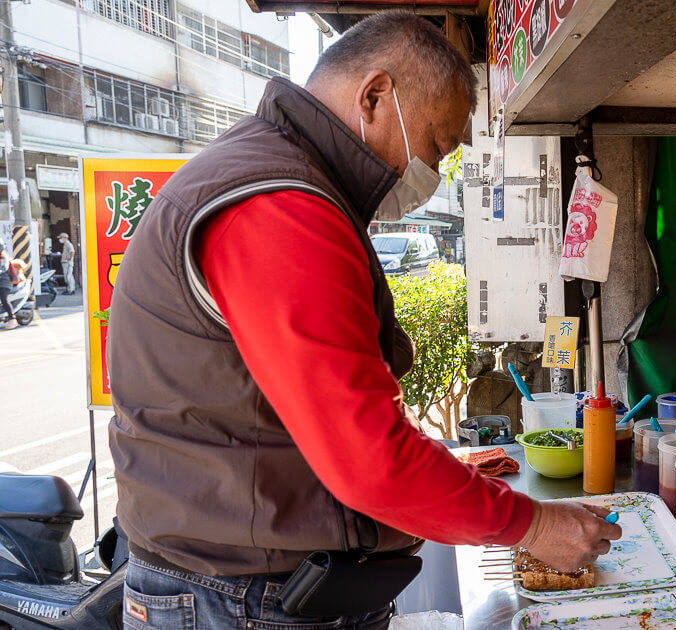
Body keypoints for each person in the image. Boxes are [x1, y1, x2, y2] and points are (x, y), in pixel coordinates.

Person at [106, 12, 620, 630]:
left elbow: (289, 416)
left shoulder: (280, 178)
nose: (435, 173)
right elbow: (367, 459)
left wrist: (434, 466)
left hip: (254, 585)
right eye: (437, 146)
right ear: (375, 96)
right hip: (243, 600)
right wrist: (533, 524)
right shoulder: (281, 207)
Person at [0, 246, 15, 330]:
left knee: (3, 299)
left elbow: (3, 268)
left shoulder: (3, 257)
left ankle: (12, 318)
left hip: (4, 282)